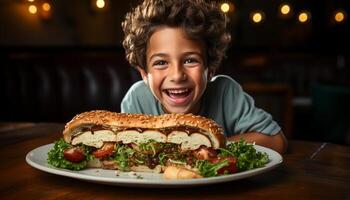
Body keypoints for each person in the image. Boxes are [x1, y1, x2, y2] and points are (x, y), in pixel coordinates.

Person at [120, 0, 287, 154]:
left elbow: (276, 140)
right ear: (144, 73)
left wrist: (212, 146)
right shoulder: (137, 100)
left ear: (210, 68)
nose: (177, 75)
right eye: (161, 62)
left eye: (190, 60)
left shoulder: (226, 93)